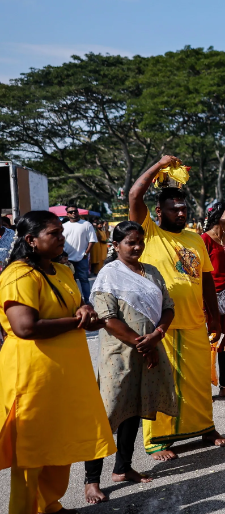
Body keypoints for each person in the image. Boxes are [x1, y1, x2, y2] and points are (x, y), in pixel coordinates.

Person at [0, 210, 115, 514]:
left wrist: (87, 310)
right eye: (54, 234)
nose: (62, 238)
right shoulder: (18, 275)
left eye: (61, 232)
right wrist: (76, 322)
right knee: (33, 451)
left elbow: (77, 307)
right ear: (31, 240)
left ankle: (49, 505)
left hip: (65, 375)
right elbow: (25, 327)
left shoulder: (62, 271)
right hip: (32, 376)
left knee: (58, 444)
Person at [129, 155, 225, 459]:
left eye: (184, 209)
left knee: (199, 381)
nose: (181, 213)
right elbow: (135, 194)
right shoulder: (148, 231)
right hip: (159, 325)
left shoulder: (195, 239)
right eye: (174, 209)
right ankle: (159, 440)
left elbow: (207, 279)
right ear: (159, 211)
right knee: (161, 380)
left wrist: (213, 315)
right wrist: (159, 166)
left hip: (194, 321)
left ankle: (204, 429)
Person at [82, 221, 178, 504]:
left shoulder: (152, 272)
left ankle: (123, 468)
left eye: (140, 242)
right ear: (115, 245)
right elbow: (109, 319)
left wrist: (157, 334)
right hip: (120, 355)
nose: (136, 247)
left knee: (134, 409)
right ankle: (91, 481)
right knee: (108, 414)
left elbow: (168, 307)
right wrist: (143, 343)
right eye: (129, 243)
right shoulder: (109, 275)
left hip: (149, 350)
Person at [202, 206, 225, 401]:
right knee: (207, 346)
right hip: (208, 300)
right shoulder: (204, 239)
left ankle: (224, 386)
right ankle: (203, 390)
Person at [62, 204, 97, 304]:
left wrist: (86, 253)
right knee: (70, 281)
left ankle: (88, 301)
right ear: (67, 214)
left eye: (75, 211)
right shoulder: (64, 226)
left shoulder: (86, 224)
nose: (73, 213)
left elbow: (92, 240)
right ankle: (75, 301)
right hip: (67, 259)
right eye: (71, 212)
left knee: (84, 280)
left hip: (82, 258)